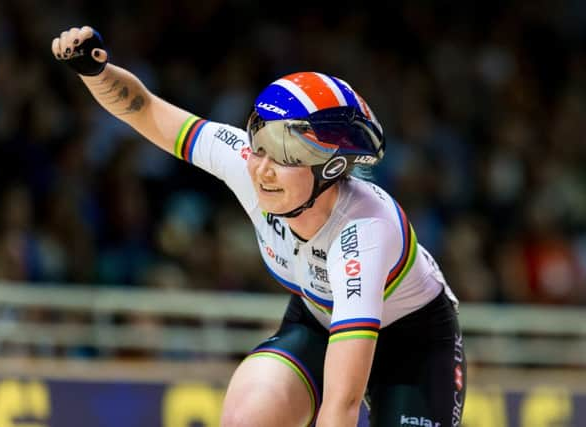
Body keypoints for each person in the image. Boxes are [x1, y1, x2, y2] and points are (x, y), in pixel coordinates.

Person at [52, 26, 466, 427]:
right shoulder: (249, 164)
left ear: (332, 168)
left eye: (285, 157)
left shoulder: (362, 234)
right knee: (250, 416)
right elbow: (146, 109)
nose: (263, 170)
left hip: (414, 348)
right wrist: (96, 73)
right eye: (260, 145)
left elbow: (342, 406)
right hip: (321, 321)